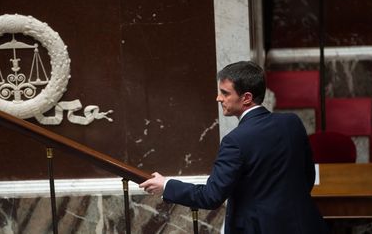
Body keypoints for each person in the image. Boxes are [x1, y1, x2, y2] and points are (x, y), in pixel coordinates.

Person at [139, 61, 329, 234]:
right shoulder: (292, 123)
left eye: (225, 93)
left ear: (246, 97)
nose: (218, 98)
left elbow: (211, 197)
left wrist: (166, 185)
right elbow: (307, 177)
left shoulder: (235, 141)